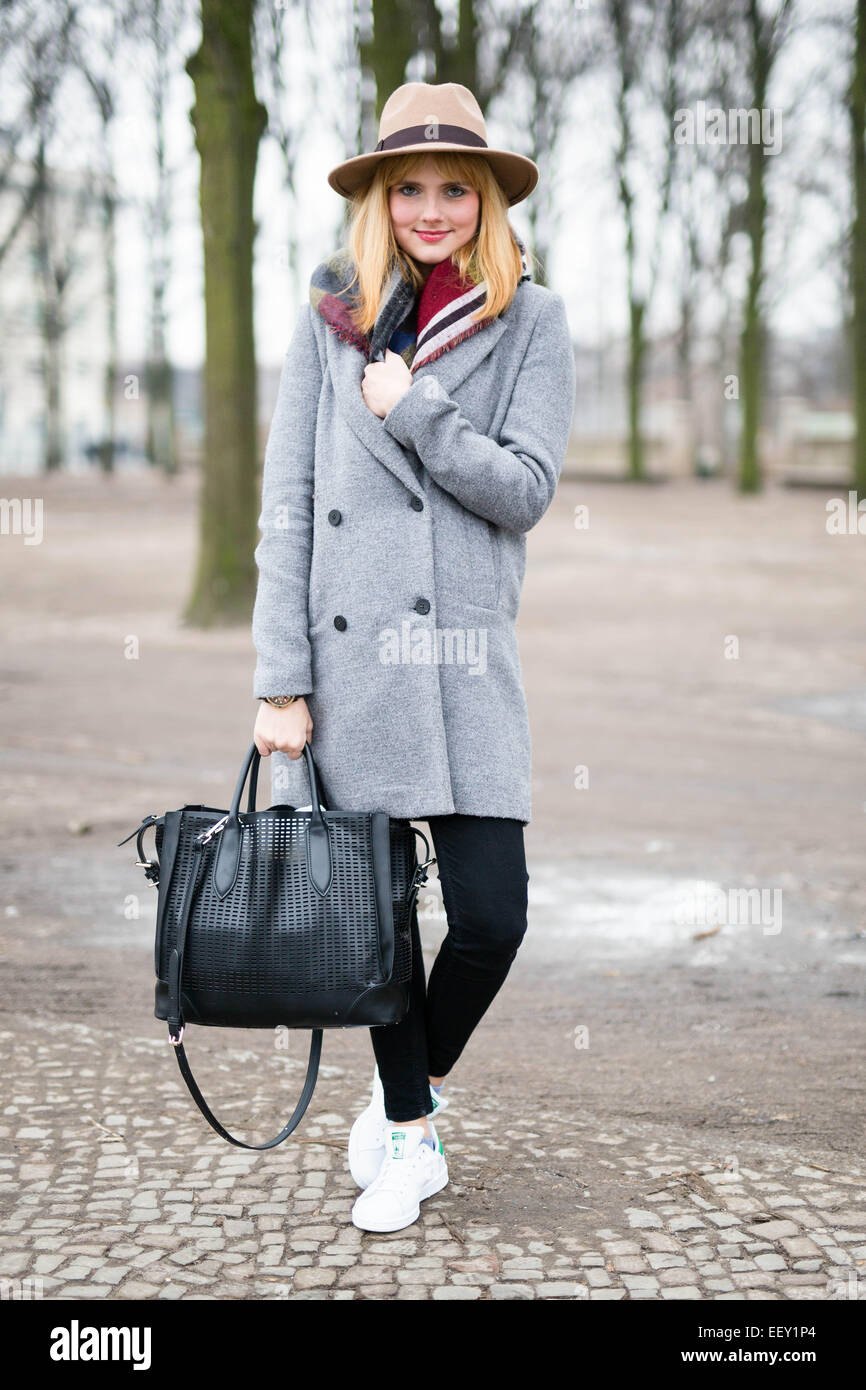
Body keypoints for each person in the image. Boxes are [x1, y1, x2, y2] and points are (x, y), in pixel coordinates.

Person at [251, 82, 576, 1233]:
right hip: (354, 677)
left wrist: (417, 409)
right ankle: (406, 1138)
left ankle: (413, 1087)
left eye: (453, 187)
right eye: (408, 188)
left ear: (483, 199)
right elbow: (286, 504)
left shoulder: (529, 321)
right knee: (379, 926)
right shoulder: (327, 318)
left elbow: (524, 492)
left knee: (491, 917)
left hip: (466, 666)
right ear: (379, 200)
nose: (430, 208)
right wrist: (278, 683)